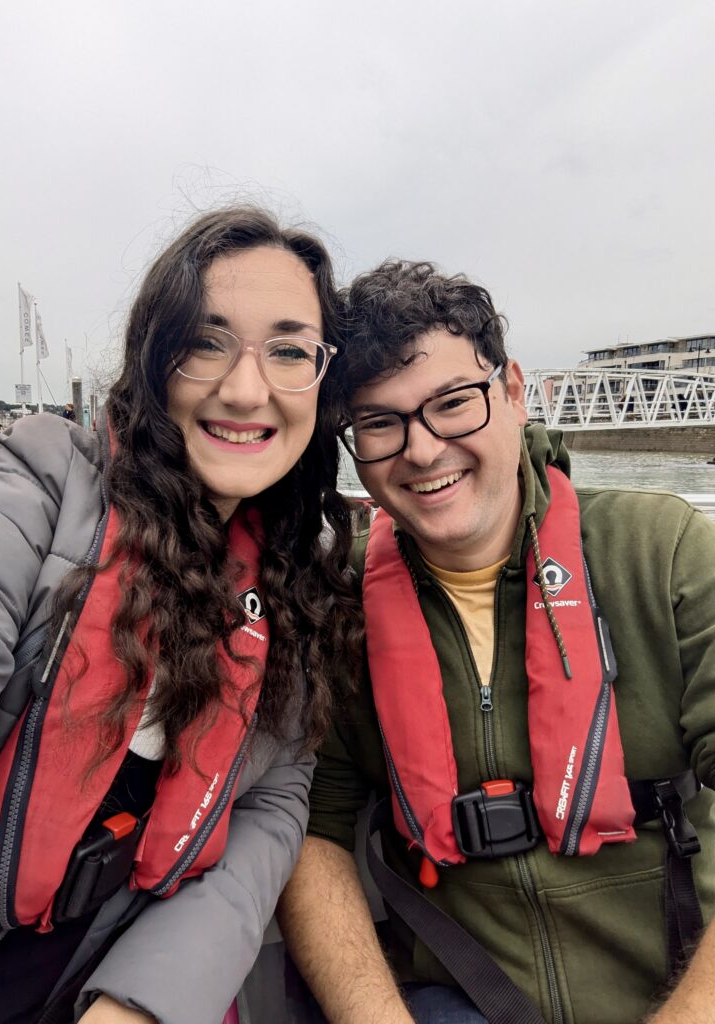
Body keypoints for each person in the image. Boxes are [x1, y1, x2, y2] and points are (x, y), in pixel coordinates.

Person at [0, 206, 361, 1024]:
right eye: (207, 342)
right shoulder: (31, 488)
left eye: (287, 351)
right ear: (154, 356)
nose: (246, 389)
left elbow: (269, 806)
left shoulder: (298, 579)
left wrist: (144, 1004)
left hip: (103, 965)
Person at [278, 260, 715, 1024]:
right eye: (381, 423)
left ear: (513, 392)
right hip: (461, 994)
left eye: (453, 403)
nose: (422, 450)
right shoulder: (335, 602)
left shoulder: (666, 552)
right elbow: (313, 832)